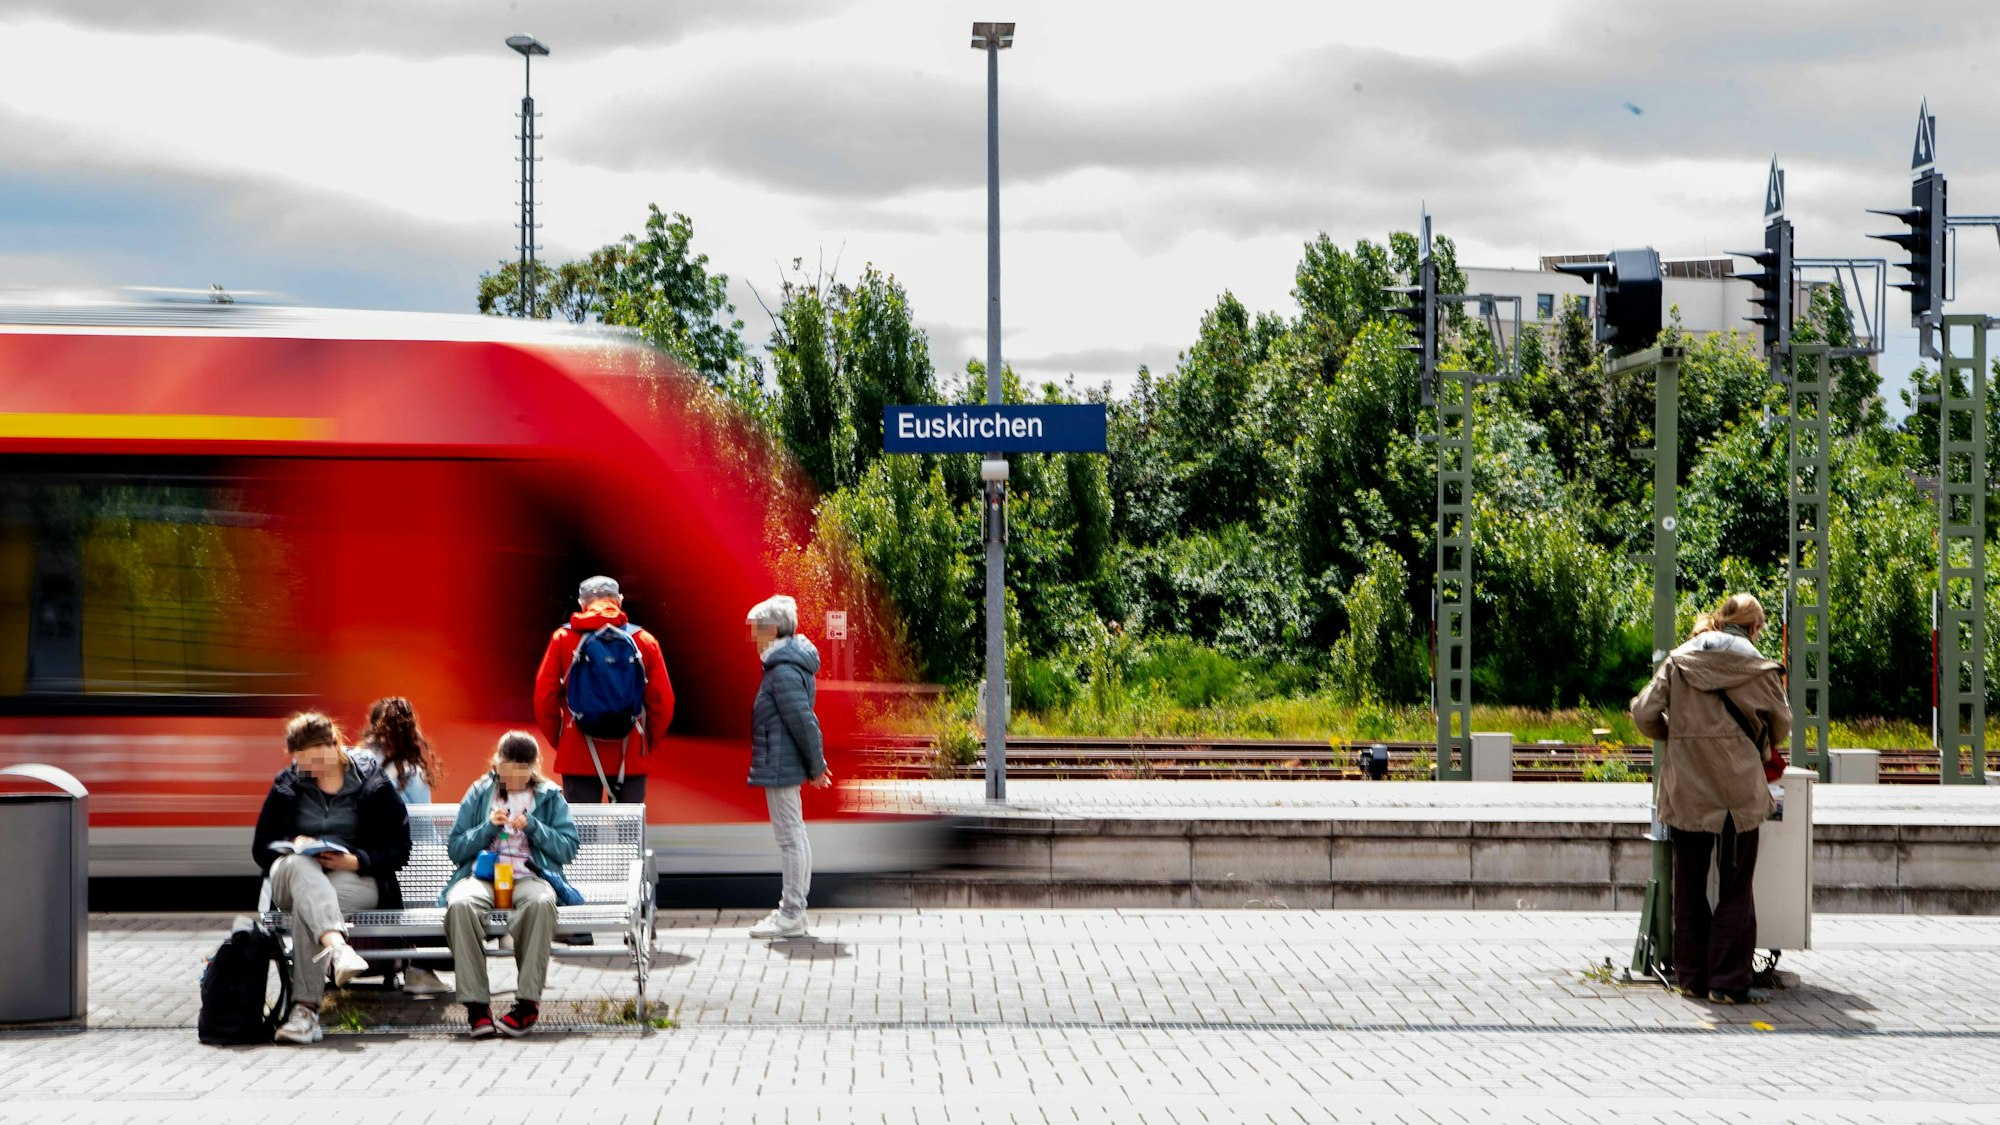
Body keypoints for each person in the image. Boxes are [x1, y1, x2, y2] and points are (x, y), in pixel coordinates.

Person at [1630, 593, 1791, 1005]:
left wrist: (1677, 735)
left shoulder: (1680, 660)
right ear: (1755, 628)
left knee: (1689, 882)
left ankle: (1692, 978)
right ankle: (1728, 982)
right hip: (1739, 792)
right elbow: (1781, 727)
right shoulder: (1759, 666)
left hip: (1688, 788)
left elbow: (1644, 713)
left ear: (1720, 621)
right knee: (1736, 886)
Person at [251, 712, 412, 1044]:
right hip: (292, 875)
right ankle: (338, 948)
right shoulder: (288, 783)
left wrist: (355, 860)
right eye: (303, 763)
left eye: (316, 760)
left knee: (309, 909)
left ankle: (305, 1013)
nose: (311, 770)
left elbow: (399, 849)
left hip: (353, 877)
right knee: (300, 869)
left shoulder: (372, 782)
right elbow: (260, 849)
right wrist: (294, 846)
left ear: (334, 744)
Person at [440, 731, 581, 1039]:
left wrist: (535, 827)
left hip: (530, 875)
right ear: (497, 765)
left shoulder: (549, 795)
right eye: (508, 771)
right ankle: (477, 1007)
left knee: (542, 904)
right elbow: (455, 848)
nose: (514, 778)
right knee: (461, 904)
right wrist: (487, 826)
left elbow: (568, 848)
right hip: (484, 876)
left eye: (522, 772)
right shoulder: (480, 792)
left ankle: (527, 1005)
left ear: (534, 768)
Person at [533, 576, 674, 806]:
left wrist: (563, 740)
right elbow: (663, 702)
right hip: (629, 757)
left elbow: (544, 698)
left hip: (578, 754)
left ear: (582, 603)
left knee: (581, 836)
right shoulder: (644, 641)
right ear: (619, 601)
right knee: (629, 837)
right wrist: (644, 742)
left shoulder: (562, 639)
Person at [744, 595, 832, 940]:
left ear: (774, 629)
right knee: (795, 835)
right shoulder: (786, 665)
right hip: (781, 761)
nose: (753, 637)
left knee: (790, 838)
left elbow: (803, 722)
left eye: (756, 630)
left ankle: (792, 913)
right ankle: (794, 910)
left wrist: (817, 766)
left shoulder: (782, 671)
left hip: (782, 765)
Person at [349, 696, 450, 996]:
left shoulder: (353, 762)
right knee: (441, 876)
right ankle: (419, 969)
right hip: (400, 874)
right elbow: (422, 835)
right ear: (411, 731)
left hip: (361, 867)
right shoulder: (410, 774)